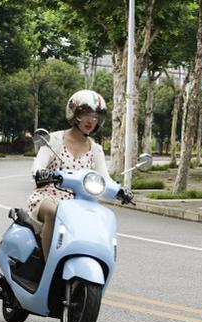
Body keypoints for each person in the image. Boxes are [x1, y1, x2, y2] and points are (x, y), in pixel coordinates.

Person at [27, 89, 132, 261]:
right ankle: (49, 265)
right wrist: (41, 173)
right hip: (48, 197)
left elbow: (105, 178)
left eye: (96, 116)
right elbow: (38, 165)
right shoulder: (54, 140)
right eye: (86, 114)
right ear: (74, 113)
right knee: (54, 213)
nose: (91, 120)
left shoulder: (95, 149)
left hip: (79, 204)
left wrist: (121, 191)